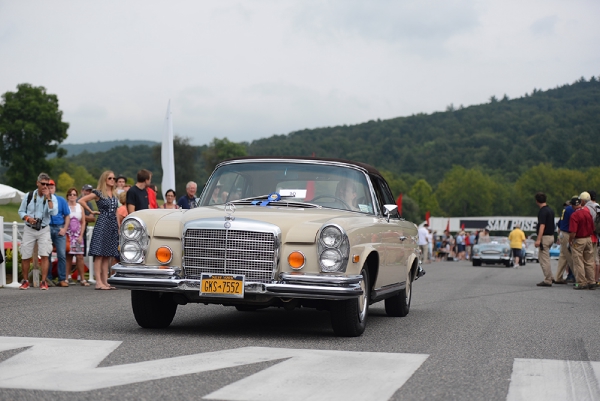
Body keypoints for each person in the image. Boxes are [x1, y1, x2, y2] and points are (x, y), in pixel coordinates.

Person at [17, 173, 58, 290]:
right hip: (29, 228)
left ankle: (43, 281)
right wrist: (28, 218)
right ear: (37, 183)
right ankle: (25, 281)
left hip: (44, 228)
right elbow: (21, 211)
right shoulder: (29, 195)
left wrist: (48, 197)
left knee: (45, 254)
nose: (45, 186)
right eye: (43, 184)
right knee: (25, 255)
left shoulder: (51, 197)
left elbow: (54, 212)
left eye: (47, 184)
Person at [79, 171, 119, 290]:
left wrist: (118, 227)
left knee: (108, 254)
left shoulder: (114, 194)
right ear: (104, 179)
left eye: (114, 178)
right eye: (110, 178)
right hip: (102, 222)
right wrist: (91, 212)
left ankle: (105, 281)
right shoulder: (98, 192)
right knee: (99, 254)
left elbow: (116, 211)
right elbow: (81, 200)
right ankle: (98, 282)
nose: (112, 180)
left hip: (112, 224)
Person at [568, 196, 595, 290]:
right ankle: (591, 281)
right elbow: (593, 227)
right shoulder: (587, 213)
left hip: (579, 239)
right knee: (589, 261)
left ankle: (581, 282)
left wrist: (570, 239)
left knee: (578, 261)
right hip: (589, 238)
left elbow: (573, 231)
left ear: (572, 206)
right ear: (580, 204)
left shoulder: (574, 215)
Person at [47, 180, 70, 287]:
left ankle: (62, 278)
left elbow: (67, 215)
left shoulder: (61, 200)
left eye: (52, 187)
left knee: (61, 254)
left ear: (55, 188)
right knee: (47, 254)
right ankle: (48, 278)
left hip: (59, 227)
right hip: (47, 227)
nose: (50, 189)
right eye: (49, 187)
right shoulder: (44, 200)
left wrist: (65, 228)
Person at [65, 187, 89, 286]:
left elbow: (83, 222)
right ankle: (66, 277)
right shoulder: (65, 207)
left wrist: (81, 235)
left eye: (74, 194)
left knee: (79, 256)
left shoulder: (80, 207)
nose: (72, 196)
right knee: (69, 256)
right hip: (69, 235)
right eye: (70, 194)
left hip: (78, 235)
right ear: (67, 196)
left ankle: (82, 278)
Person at [534, 192, 555, 287]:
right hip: (551, 236)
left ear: (537, 201)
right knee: (544, 258)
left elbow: (542, 225)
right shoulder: (550, 210)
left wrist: (538, 239)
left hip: (545, 237)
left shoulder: (542, 211)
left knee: (544, 259)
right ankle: (550, 276)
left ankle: (548, 280)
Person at [579, 191, 598, 287]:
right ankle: (594, 280)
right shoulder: (597, 206)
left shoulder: (586, 209)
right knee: (594, 260)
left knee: (586, 260)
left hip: (588, 236)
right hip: (597, 236)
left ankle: (586, 280)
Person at [554, 198, 575, 284]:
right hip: (567, 233)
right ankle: (579, 277)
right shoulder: (570, 209)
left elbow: (559, 224)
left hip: (562, 233)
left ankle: (558, 277)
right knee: (571, 257)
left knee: (563, 256)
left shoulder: (565, 210)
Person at [79, 184, 96, 257]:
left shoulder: (89, 204)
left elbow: (93, 219)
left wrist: (81, 216)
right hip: (74, 232)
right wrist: (86, 217)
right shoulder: (77, 201)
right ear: (82, 191)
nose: (88, 193)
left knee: (82, 256)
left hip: (84, 231)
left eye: (90, 191)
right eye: (86, 191)